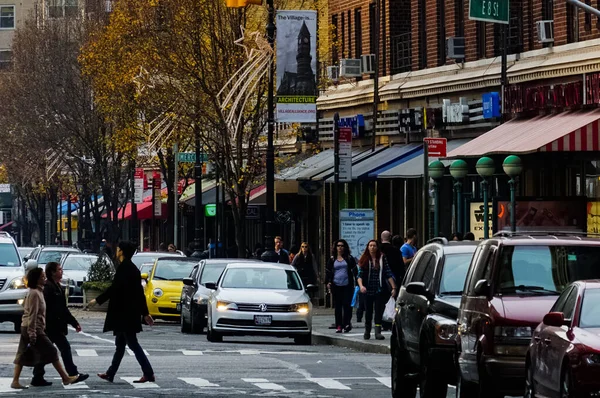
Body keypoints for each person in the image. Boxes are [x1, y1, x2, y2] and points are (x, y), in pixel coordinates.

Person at [89, 241, 155, 383]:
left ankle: (148, 373)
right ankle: (110, 373)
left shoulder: (125, 269)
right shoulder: (131, 269)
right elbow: (139, 294)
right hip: (127, 314)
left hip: (125, 315)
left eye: (118, 249)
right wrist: (145, 313)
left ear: (122, 252)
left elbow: (115, 289)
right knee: (120, 345)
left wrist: (97, 300)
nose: (116, 250)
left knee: (132, 344)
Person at [12, 268, 79, 389]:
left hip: (28, 326)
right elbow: (33, 314)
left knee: (22, 354)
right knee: (52, 351)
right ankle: (65, 378)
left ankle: (15, 381)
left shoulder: (38, 292)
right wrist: (32, 333)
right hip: (33, 328)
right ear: (37, 279)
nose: (45, 279)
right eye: (42, 277)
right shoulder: (34, 293)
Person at [31, 262, 89, 387]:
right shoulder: (48, 288)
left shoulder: (58, 287)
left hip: (56, 325)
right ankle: (71, 373)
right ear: (52, 272)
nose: (61, 271)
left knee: (48, 352)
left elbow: (63, 309)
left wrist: (74, 322)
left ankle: (38, 375)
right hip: (50, 326)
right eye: (59, 269)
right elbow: (45, 308)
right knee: (59, 349)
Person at [357, 240, 397, 340]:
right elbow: (359, 275)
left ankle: (377, 332)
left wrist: (393, 287)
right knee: (368, 311)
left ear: (377, 247)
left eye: (374, 246)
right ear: (368, 247)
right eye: (370, 246)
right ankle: (367, 330)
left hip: (379, 289)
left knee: (379, 311)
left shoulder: (382, 258)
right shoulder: (365, 259)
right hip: (367, 290)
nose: (372, 248)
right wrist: (361, 286)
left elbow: (388, 273)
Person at [325, 239, 358, 333]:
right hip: (336, 285)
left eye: (342, 246)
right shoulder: (332, 259)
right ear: (335, 248)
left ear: (345, 247)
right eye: (338, 246)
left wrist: (358, 282)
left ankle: (347, 323)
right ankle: (339, 325)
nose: (340, 247)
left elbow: (355, 271)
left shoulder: (349, 258)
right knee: (338, 306)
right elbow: (328, 272)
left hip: (347, 285)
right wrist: (328, 282)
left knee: (347, 305)